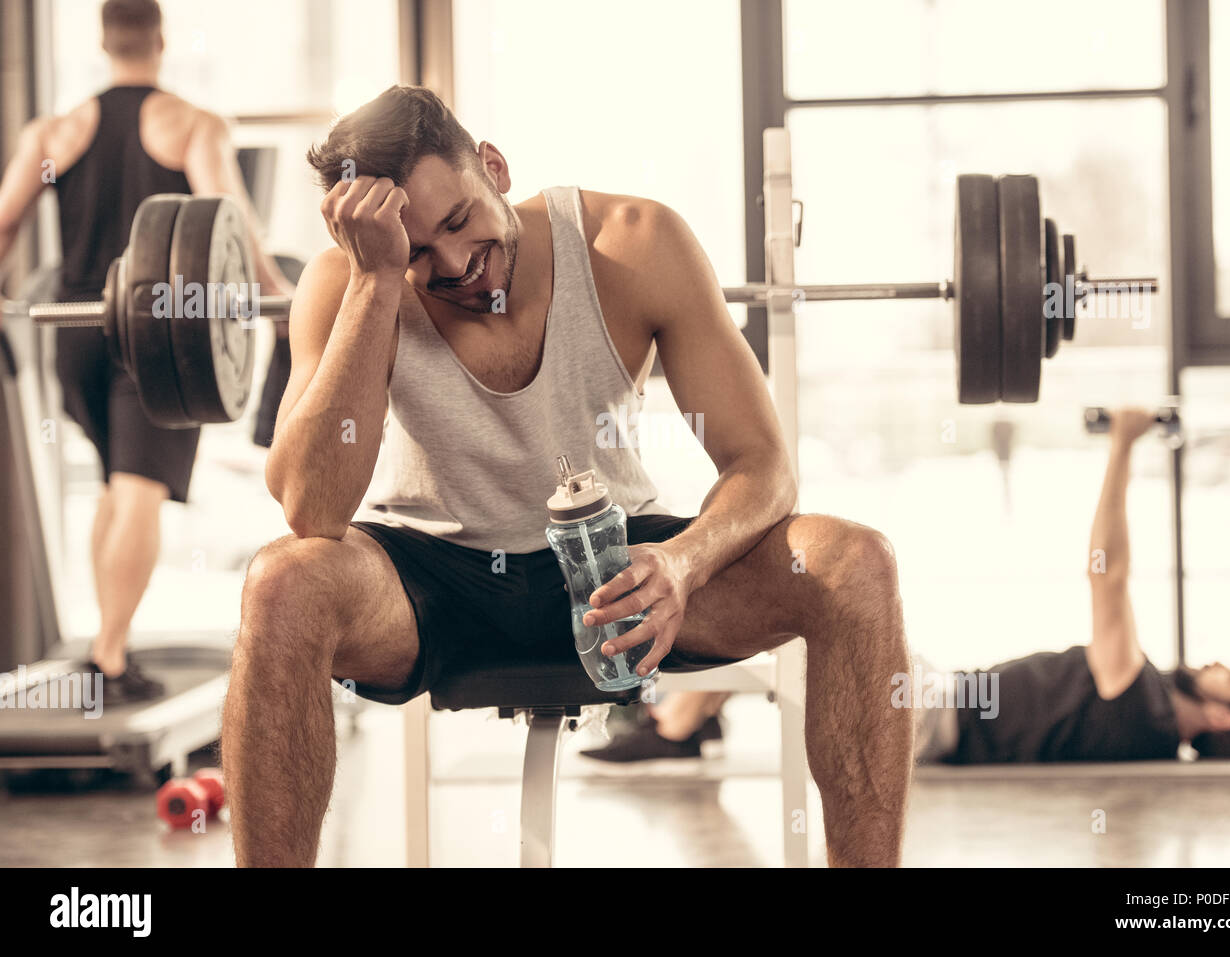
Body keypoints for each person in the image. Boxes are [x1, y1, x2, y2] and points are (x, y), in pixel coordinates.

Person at [220, 85, 914, 868]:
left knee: (855, 565)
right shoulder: (343, 287)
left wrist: (682, 563)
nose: (457, 266)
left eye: (459, 222)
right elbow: (311, 511)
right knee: (282, 583)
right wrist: (377, 284)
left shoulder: (633, 244)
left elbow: (763, 465)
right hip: (429, 579)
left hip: (617, 571)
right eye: (419, 254)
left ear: (493, 166)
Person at [596, 409, 1230, 766]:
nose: (1222, 666)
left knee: (787, 613)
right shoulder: (1145, 719)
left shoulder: (1144, 708)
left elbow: (1106, 572)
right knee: (798, 608)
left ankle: (675, 728)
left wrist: (1122, 442)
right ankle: (681, 719)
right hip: (936, 702)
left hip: (931, 721)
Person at [0, 0, 293, 704]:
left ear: (105, 43)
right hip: (156, 331)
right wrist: (279, 298)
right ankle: (107, 656)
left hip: (73, 331)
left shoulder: (56, 132)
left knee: (113, 483)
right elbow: (229, 217)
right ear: (158, 41)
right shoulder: (190, 123)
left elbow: (5, 222)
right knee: (137, 490)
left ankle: (107, 641)